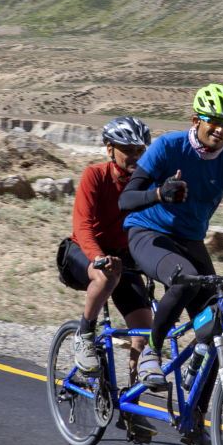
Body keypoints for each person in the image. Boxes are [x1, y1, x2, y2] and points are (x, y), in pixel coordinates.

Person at [118, 83, 223, 392]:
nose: (221, 129)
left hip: (189, 240)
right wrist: (159, 193)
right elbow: (125, 200)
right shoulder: (167, 147)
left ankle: (195, 424)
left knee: (221, 322)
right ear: (196, 120)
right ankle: (151, 352)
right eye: (214, 121)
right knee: (185, 278)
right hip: (147, 233)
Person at [59, 116, 155, 379]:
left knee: (144, 331)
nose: (135, 156)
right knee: (105, 275)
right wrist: (98, 258)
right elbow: (83, 225)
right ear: (110, 149)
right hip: (82, 251)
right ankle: (85, 334)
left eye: (140, 150)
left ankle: (131, 403)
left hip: (123, 258)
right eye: (128, 150)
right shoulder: (95, 176)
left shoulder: (146, 184)